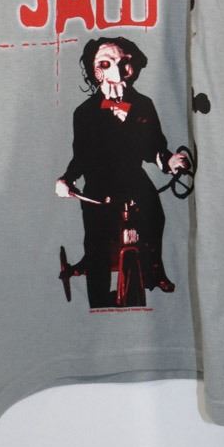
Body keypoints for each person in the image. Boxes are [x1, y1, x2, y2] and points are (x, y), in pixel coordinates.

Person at [55, 37, 189, 307]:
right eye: (106, 63)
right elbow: (82, 156)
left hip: (133, 178)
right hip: (98, 183)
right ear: (95, 71)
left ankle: (154, 270)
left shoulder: (144, 105)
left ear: (134, 66)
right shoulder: (84, 113)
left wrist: (170, 161)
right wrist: (67, 179)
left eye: (124, 62)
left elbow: (154, 147)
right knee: (96, 238)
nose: (116, 69)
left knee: (155, 215)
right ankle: (97, 298)